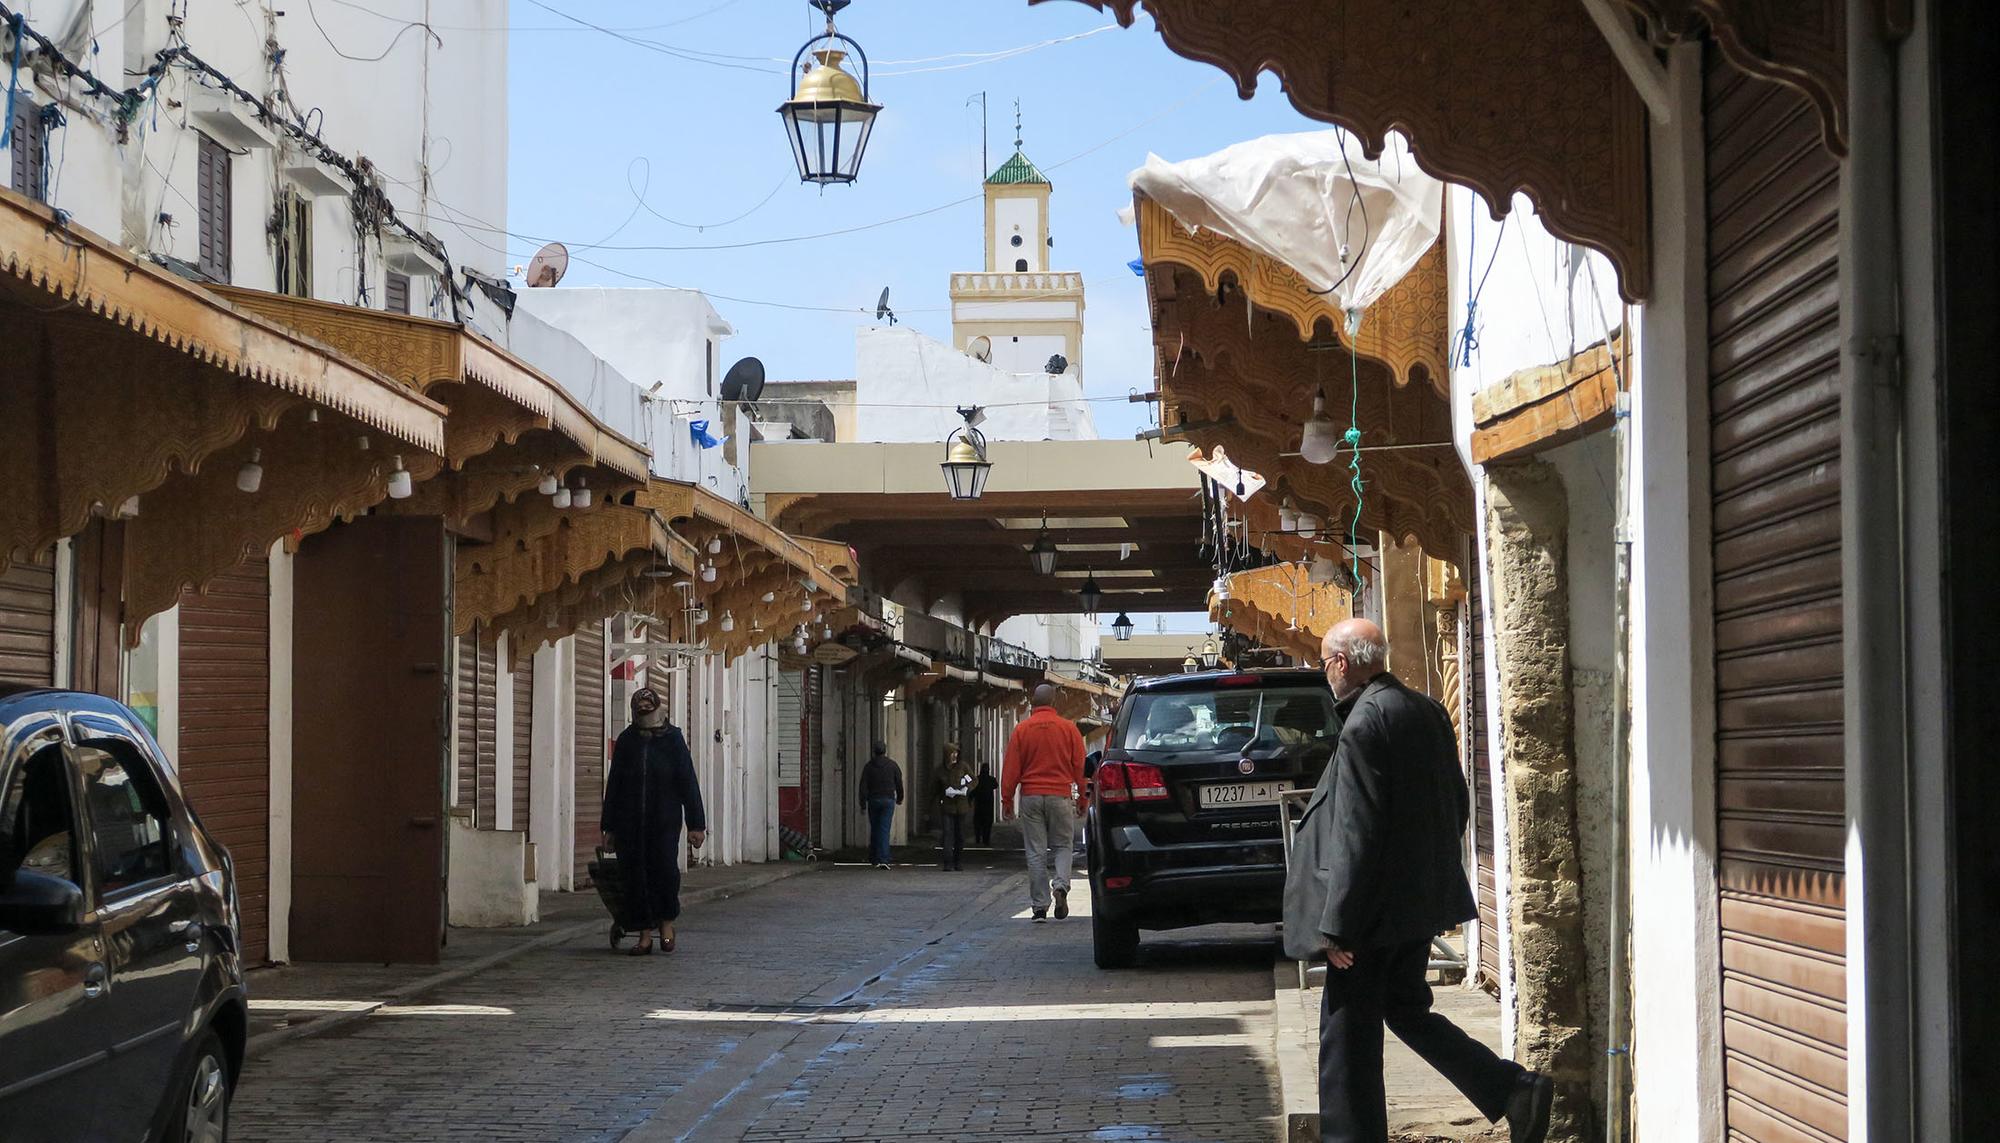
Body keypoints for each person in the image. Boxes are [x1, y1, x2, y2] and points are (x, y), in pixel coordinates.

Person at [1283, 619, 1554, 1143]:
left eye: (1323, 663)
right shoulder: (1426, 709)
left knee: (1346, 1035)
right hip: (1415, 905)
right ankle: (1510, 1088)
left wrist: (1338, 927)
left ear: (1341, 663)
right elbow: (1454, 803)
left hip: (1371, 915)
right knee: (1405, 1008)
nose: (1324, 673)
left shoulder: (1365, 722)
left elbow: (1357, 833)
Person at [601, 687, 706, 957]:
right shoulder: (627, 740)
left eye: (649, 704)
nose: (645, 709)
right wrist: (609, 827)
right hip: (629, 824)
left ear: (657, 706)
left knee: (665, 873)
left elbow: (688, 781)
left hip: (664, 821)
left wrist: (696, 824)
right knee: (635, 877)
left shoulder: (673, 739)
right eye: (641, 705)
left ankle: (667, 925)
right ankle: (644, 935)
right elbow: (615, 786)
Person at [1000, 684, 1087, 922]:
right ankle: (1060, 886)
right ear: (1054, 702)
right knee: (1062, 846)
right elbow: (1080, 766)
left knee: (1036, 852)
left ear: (1033, 702)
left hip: (1031, 797)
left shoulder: (1022, 730)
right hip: (1060, 795)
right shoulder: (1069, 729)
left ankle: (1039, 907)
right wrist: (1083, 796)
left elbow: (1011, 768)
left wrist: (1007, 799)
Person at [858, 740, 904, 869]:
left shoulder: (868, 766)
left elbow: (863, 786)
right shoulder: (892, 765)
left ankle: (874, 857)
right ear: (885, 750)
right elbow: (899, 783)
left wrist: (862, 804)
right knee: (884, 829)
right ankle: (884, 858)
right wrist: (900, 798)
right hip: (888, 800)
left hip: (873, 800)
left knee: (875, 828)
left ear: (874, 751)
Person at [932, 743, 975, 871]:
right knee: (947, 834)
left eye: (956, 753)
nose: (954, 755)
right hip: (947, 806)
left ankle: (958, 861)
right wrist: (929, 807)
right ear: (946, 755)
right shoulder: (940, 770)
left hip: (961, 806)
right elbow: (933, 789)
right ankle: (947, 862)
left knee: (960, 835)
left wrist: (966, 789)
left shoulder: (963, 767)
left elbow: (972, 780)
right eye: (952, 753)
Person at [971, 763, 999, 848]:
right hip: (988, 805)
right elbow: (996, 786)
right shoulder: (991, 780)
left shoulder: (977, 779)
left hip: (979, 804)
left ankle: (978, 838)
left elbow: (973, 791)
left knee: (978, 823)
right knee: (987, 823)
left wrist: (970, 799)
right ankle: (986, 839)